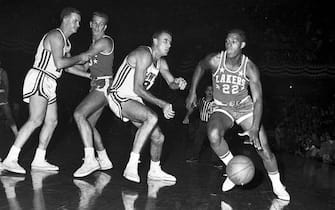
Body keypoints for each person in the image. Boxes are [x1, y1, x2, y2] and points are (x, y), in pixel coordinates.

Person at [185, 29, 290, 201]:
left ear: (242, 45)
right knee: (213, 135)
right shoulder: (215, 60)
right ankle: (233, 169)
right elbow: (200, 66)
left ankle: (278, 186)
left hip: (244, 107)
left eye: (233, 41)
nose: (228, 44)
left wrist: (255, 128)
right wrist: (192, 92)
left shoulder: (250, 67)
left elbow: (258, 100)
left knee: (263, 148)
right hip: (222, 107)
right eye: (227, 41)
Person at [1, 7, 91, 174]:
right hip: (40, 77)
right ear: (65, 20)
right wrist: (81, 57)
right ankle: (10, 159)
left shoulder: (66, 42)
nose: (78, 24)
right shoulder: (55, 36)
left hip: (50, 80)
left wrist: (88, 76)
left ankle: (39, 159)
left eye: (79, 21)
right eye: (75, 20)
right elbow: (59, 63)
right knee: (36, 119)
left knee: (52, 121)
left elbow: (68, 68)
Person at [107, 29, 187, 183]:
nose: (169, 45)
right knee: (151, 117)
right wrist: (163, 104)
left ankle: (155, 170)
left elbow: (171, 83)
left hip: (134, 100)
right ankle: (131, 166)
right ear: (155, 41)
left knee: (158, 137)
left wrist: (178, 82)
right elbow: (138, 88)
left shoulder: (161, 63)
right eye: (165, 41)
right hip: (119, 95)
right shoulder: (144, 54)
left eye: (170, 42)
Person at [70, 11, 114, 178]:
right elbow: (82, 67)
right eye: (94, 23)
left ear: (105, 27)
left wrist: (65, 59)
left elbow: (84, 57)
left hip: (103, 86)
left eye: (100, 24)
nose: (97, 26)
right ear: (90, 24)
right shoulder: (93, 44)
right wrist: (65, 62)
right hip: (96, 85)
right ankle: (104, 158)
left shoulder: (105, 41)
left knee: (78, 114)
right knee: (88, 124)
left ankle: (90, 160)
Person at [183, 85, 215, 163]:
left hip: (212, 125)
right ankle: (194, 158)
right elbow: (192, 108)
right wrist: (186, 117)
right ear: (205, 91)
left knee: (215, 142)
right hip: (202, 124)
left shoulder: (216, 103)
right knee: (197, 141)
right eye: (208, 90)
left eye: (212, 90)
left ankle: (216, 162)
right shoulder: (201, 101)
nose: (210, 92)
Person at [0, 61, 18, 137]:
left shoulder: (2, 72)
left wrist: (5, 98)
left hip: (2, 97)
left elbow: (7, 86)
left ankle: (17, 134)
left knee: (9, 116)